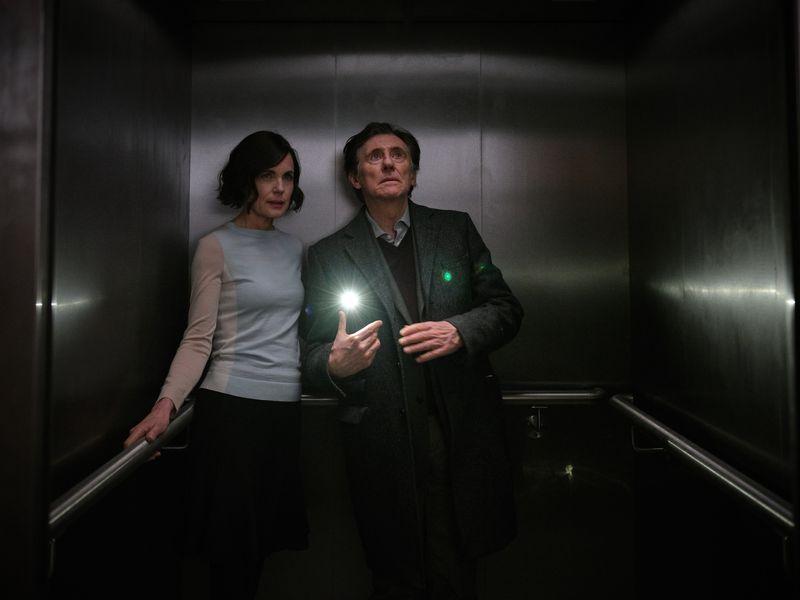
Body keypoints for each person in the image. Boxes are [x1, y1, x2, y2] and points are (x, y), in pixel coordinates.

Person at [302, 122, 523, 600]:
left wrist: (460, 331)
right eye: (374, 156)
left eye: (398, 155)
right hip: (380, 442)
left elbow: (505, 309)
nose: (388, 163)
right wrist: (334, 366)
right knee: (395, 574)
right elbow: (312, 352)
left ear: (413, 173)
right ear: (355, 178)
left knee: (455, 569)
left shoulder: (455, 230)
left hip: (455, 431)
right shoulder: (327, 256)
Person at [125, 131, 309, 599]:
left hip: (284, 413)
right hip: (232, 412)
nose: (279, 188)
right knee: (232, 559)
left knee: (260, 550)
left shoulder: (294, 249)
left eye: (288, 177)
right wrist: (166, 404)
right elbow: (198, 337)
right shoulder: (215, 246)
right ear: (246, 180)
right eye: (267, 175)